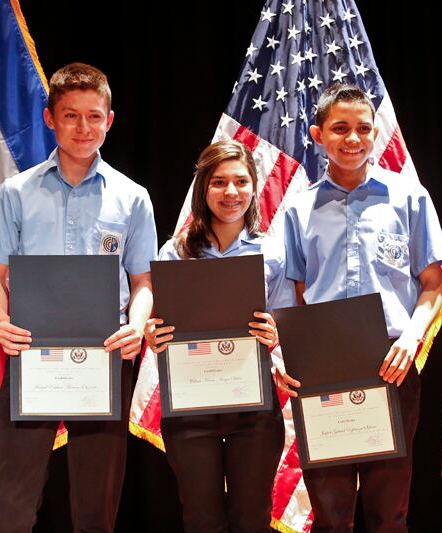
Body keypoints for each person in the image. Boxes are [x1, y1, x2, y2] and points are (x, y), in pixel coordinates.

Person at [0, 62, 156, 532]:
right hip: (30, 353)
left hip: (104, 355)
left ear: (109, 120)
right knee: (14, 500)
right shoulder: (15, 193)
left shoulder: (132, 197)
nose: (84, 128)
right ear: (50, 119)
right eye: (71, 116)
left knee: (96, 504)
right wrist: (1, 321)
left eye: (94, 116)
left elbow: (143, 282)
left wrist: (136, 326)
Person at [277, 83, 442, 532]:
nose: (353, 138)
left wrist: (411, 339)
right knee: (330, 514)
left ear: (375, 132)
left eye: (363, 128)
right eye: (340, 128)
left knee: (388, 512)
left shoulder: (409, 198)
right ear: (318, 135)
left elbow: (433, 286)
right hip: (323, 368)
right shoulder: (299, 210)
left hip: (392, 363)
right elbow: (297, 296)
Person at [144, 139, 295, 532]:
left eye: (241, 182)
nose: (231, 192)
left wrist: (276, 333)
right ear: (203, 189)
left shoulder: (272, 253)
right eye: (219, 182)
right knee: (201, 520)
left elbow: (287, 325)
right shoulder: (175, 253)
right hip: (191, 408)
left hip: (254, 410)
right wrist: (152, 334)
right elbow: (159, 325)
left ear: (254, 187)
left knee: (252, 519)